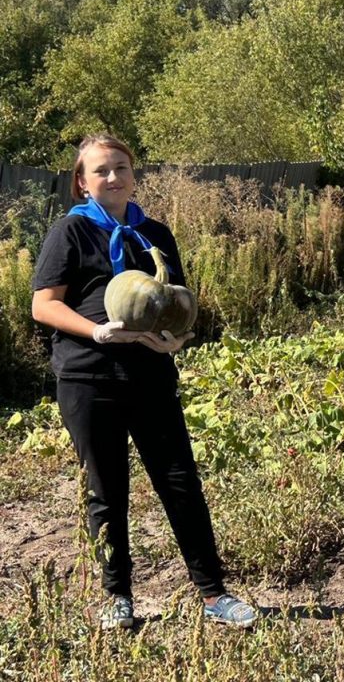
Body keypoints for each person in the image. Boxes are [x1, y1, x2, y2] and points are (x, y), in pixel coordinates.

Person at [31, 134, 256, 630]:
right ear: (82, 183)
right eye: (101, 171)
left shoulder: (154, 233)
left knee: (180, 483)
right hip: (89, 377)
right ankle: (118, 598)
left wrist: (173, 339)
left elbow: (171, 300)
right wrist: (96, 330)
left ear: (134, 174)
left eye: (121, 168)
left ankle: (214, 594)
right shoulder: (70, 232)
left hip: (150, 374)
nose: (113, 177)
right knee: (106, 489)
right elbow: (43, 305)